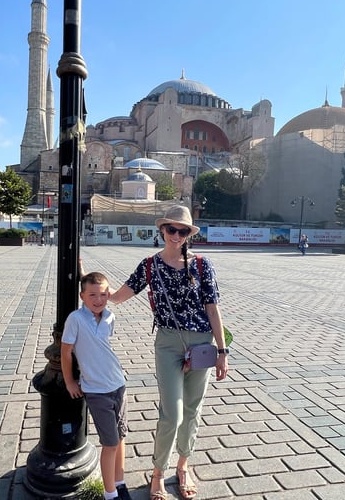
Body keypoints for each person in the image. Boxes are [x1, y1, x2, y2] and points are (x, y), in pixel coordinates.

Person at [110, 205, 229, 500]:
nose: (176, 235)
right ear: (162, 230)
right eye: (172, 229)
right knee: (172, 414)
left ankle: (183, 466)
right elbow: (118, 296)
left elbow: (213, 309)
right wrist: (88, 282)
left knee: (192, 410)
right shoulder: (150, 266)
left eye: (183, 231)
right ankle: (158, 472)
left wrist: (222, 351)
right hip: (167, 343)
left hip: (201, 344)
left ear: (189, 234)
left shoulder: (202, 265)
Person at [61, 272, 132, 500]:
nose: (98, 299)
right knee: (110, 443)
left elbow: (104, 346)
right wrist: (70, 381)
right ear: (82, 296)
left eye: (103, 294)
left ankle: (119, 483)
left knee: (120, 437)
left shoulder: (110, 317)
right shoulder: (76, 319)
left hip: (118, 384)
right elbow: (65, 352)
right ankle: (109, 493)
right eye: (92, 295)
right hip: (97, 391)